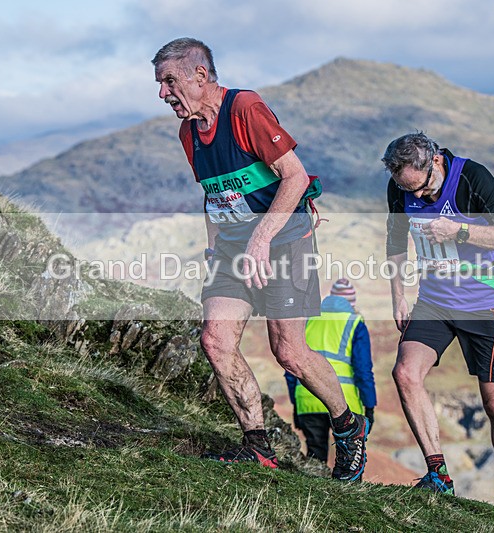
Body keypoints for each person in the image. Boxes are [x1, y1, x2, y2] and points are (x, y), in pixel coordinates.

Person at [152, 37, 369, 481]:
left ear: (200, 75)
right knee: (215, 341)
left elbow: (294, 177)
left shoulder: (245, 108)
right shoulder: (188, 131)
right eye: (159, 84)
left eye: (169, 81)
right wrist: (216, 247)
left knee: (289, 352)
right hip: (233, 246)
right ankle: (258, 447)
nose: (162, 94)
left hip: (285, 239)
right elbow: (213, 194)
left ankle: (349, 427)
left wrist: (261, 239)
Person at [383, 132, 494, 508]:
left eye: (421, 188)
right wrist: (399, 298)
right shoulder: (400, 187)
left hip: (483, 307)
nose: (415, 197)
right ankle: (438, 475)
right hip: (433, 303)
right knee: (405, 373)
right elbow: (396, 243)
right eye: (406, 189)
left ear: (435, 162)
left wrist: (460, 229)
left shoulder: (471, 177)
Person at [285, 279, 377, 462]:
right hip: (344, 401)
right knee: (350, 457)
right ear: (352, 303)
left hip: (308, 398)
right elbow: (363, 370)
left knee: (315, 459)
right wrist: (369, 406)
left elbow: (291, 368)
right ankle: (348, 490)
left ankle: (314, 489)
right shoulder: (354, 323)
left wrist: (296, 404)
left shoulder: (308, 320)